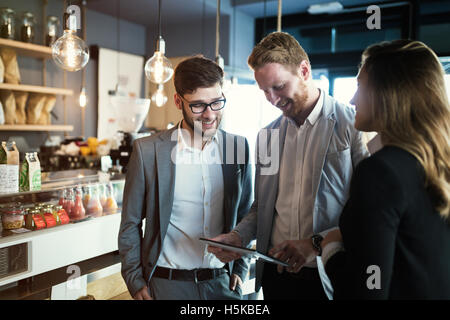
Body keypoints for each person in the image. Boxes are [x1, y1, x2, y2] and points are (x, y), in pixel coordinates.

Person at [207, 32, 369, 300]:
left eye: (279, 87)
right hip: (276, 276)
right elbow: (263, 207)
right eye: (264, 91)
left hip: (330, 274)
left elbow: (367, 207)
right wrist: (238, 237)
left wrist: (315, 244)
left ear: (304, 70)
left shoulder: (353, 124)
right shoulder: (267, 136)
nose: (272, 99)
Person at [318, 39, 450, 299]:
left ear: (387, 94)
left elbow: (368, 290)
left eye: (360, 86)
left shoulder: (380, 172)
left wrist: (331, 248)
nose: (353, 98)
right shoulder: (437, 164)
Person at [118, 55, 253, 300]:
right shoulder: (147, 151)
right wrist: (135, 280)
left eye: (217, 102)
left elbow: (246, 214)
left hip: (222, 283)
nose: (210, 114)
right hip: (166, 284)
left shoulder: (238, 147)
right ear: (178, 101)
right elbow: (130, 223)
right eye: (198, 105)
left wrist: (241, 269)